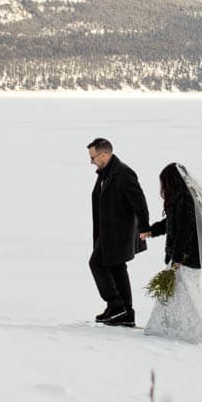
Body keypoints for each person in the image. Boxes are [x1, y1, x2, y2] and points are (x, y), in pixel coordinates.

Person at [139, 163, 202, 344]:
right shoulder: (183, 197)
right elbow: (172, 223)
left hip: (188, 257)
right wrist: (152, 231)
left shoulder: (186, 199)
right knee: (180, 294)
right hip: (187, 256)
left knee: (188, 297)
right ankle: (171, 326)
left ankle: (199, 332)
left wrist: (176, 259)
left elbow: (184, 230)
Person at [87, 138, 149, 327]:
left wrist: (145, 227)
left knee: (97, 264)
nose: (92, 162)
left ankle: (116, 305)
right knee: (116, 268)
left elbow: (139, 202)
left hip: (119, 231)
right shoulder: (104, 173)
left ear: (104, 154)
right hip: (106, 231)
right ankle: (125, 313)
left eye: (93, 157)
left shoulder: (123, 173)